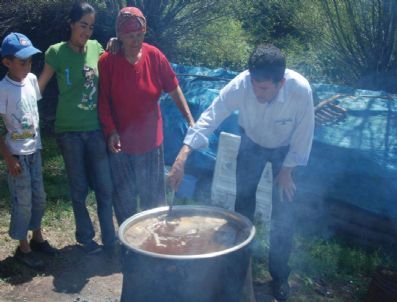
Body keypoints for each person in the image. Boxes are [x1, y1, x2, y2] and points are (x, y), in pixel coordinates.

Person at [168, 44, 314, 301]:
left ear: (280, 83)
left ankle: (279, 276)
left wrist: (288, 170)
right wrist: (182, 156)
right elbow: (210, 117)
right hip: (252, 144)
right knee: (241, 207)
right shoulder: (242, 84)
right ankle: (238, 266)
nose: (257, 92)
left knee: (284, 215)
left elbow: (305, 134)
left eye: (265, 88)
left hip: (285, 152)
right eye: (255, 85)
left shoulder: (300, 90)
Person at [98, 7, 194, 225]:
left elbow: (174, 87)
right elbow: (103, 100)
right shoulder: (108, 61)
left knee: (154, 200)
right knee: (124, 200)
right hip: (121, 144)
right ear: (119, 36)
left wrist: (190, 120)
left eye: (139, 35)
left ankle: (154, 246)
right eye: (130, 36)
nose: (135, 40)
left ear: (145, 31)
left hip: (151, 143)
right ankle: (128, 249)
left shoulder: (154, 56)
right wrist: (111, 130)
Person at [38, 1, 116, 255]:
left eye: (91, 27)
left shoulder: (96, 48)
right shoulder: (56, 52)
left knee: (104, 186)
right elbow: (39, 87)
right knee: (79, 188)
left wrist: (115, 45)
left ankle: (110, 240)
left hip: (95, 129)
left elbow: (112, 66)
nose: (87, 32)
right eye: (83, 25)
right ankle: (86, 238)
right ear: (71, 24)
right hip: (68, 131)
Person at [0, 32, 58, 269]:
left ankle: (37, 237)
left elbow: (31, 111)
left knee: (39, 198)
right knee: (22, 201)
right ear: (7, 62)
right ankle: (23, 247)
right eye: (22, 62)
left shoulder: (32, 80)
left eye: (30, 61)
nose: (28, 66)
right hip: (17, 156)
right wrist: (8, 158)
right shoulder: (3, 89)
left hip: (35, 151)